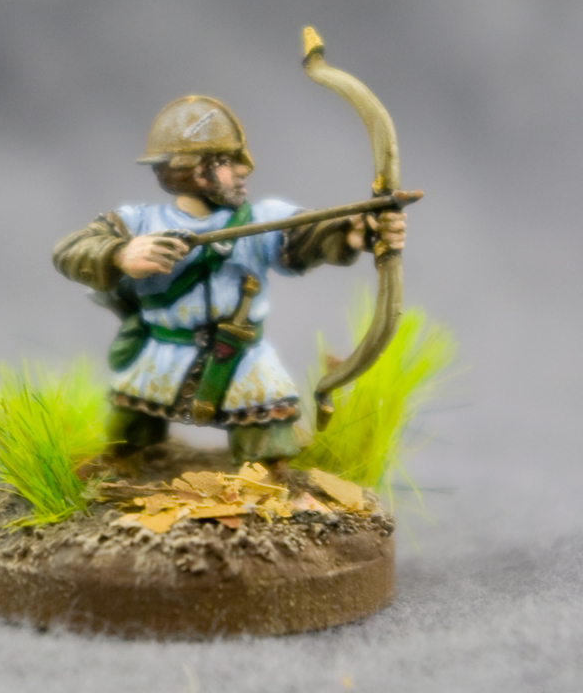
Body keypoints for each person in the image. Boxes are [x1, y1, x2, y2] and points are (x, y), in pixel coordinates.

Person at [52, 95, 406, 468]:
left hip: (242, 359)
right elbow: (70, 251)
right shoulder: (138, 222)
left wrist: (358, 232)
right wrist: (120, 253)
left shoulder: (263, 218)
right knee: (124, 446)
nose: (243, 169)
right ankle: (125, 465)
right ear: (190, 169)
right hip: (161, 353)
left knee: (269, 453)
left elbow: (312, 236)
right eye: (226, 161)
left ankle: (266, 479)